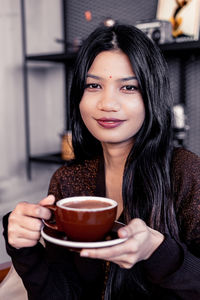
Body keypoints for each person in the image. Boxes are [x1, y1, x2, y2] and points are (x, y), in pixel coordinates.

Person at [3, 23, 200, 300]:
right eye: (94, 85)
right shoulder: (69, 181)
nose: (107, 103)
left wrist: (158, 252)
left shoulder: (187, 174)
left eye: (129, 87)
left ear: (152, 96)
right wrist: (25, 249)